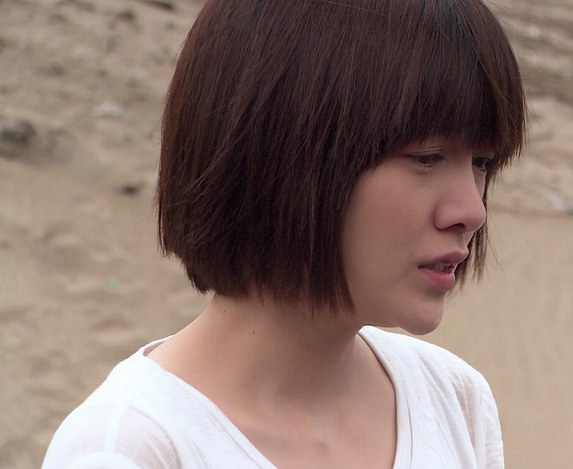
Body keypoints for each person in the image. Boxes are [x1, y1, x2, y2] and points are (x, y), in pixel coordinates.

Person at [43, 0, 525, 467]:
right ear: (283, 153)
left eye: (483, 162)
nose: (472, 211)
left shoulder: (452, 397)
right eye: (426, 158)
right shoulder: (132, 448)